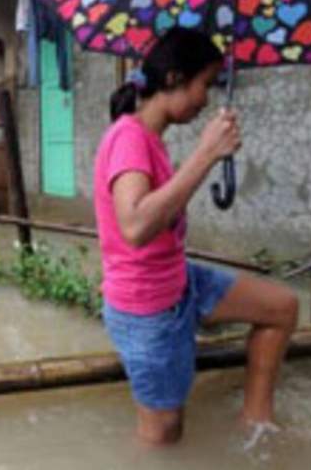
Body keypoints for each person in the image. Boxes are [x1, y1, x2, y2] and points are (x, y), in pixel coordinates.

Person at [94, 27, 299, 446]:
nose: (207, 99)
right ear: (173, 79)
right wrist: (207, 153)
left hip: (179, 282)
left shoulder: (150, 139)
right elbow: (134, 226)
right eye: (205, 84)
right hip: (147, 309)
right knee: (164, 437)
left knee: (281, 308)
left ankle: (256, 419)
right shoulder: (130, 138)